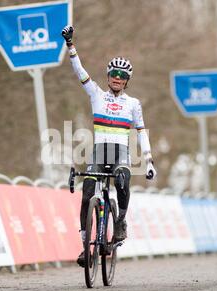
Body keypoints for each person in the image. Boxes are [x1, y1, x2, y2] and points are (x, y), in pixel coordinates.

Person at [61, 26, 157, 267]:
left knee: (123, 179)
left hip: (120, 154)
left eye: (122, 75)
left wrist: (148, 161)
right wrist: (70, 46)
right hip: (99, 152)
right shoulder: (96, 95)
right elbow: (79, 71)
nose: (117, 77)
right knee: (88, 191)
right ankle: (85, 245)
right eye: (114, 73)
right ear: (108, 75)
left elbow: (142, 132)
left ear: (127, 80)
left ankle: (121, 220)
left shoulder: (133, 104)